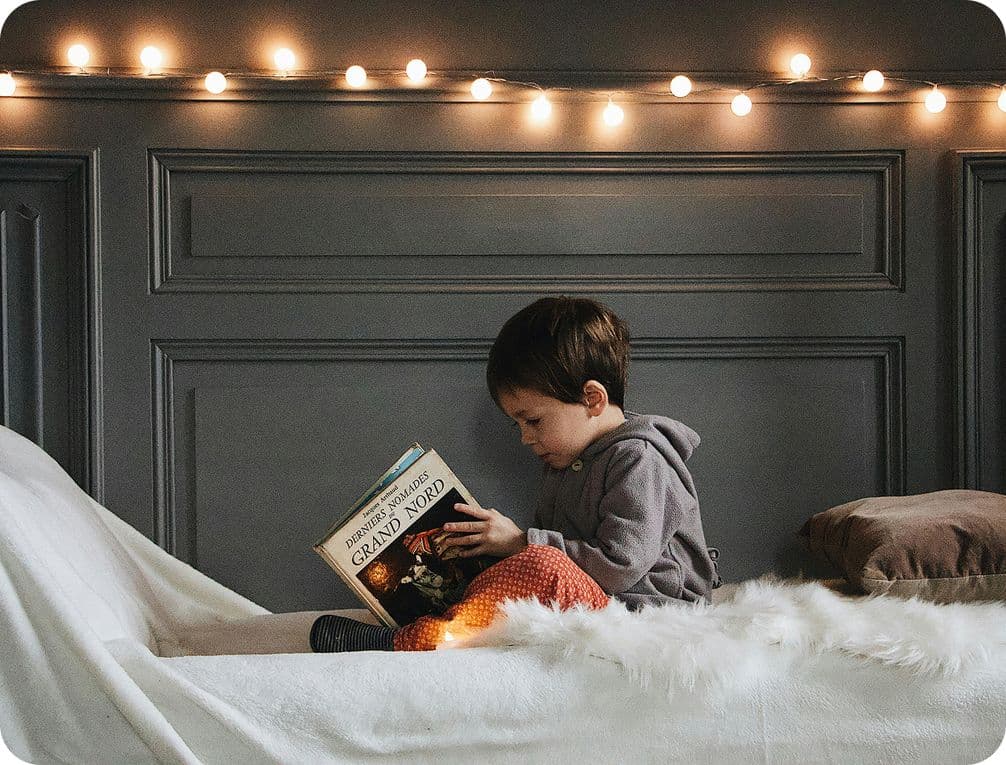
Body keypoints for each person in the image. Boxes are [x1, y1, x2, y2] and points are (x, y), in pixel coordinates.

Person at [310, 296, 720, 653]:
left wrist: (521, 542)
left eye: (534, 420)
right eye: (517, 425)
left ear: (592, 399)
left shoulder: (640, 459)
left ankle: (408, 642)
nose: (526, 438)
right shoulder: (565, 462)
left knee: (541, 566)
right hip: (597, 602)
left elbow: (619, 565)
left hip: (646, 615)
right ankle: (431, 620)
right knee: (498, 562)